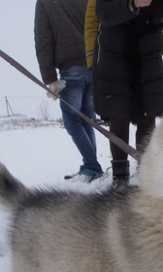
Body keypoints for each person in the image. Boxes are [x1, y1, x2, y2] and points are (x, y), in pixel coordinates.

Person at [92, 0, 163, 184]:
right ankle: (120, 178)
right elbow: (102, 13)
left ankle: (146, 175)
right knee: (119, 117)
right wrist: (131, 4)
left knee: (148, 117)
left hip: (149, 59)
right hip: (115, 56)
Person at [35, 0, 104, 182]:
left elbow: (43, 39)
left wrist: (50, 78)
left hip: (71, 68)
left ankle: (92, 167)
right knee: (86, 119)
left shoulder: (45, 3)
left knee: (72, 121)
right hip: (92, 64)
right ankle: (91, 165)